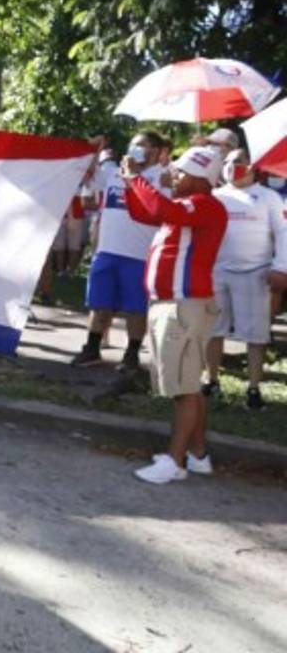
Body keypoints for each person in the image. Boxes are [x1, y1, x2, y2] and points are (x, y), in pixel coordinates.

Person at [124, 147, 227, 484]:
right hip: (177, 305)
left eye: (182, 172)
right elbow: (144, 212)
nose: (175, 176)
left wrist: (136, 178)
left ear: (200, 178)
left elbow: (158, 206)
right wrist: (131, 185)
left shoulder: (205, 205)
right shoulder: (186, 206)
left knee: (183, 390)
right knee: (188, 386)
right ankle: (198, 455)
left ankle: (175, 460)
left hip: (185, 305)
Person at [72, 132, 169, 379]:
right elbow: (86, 176)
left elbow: (161, 208)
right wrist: (95, 151)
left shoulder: (163, 178)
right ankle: (92, 348)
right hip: (107, 250)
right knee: (98, 303)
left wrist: (136, 177)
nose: (136, 148)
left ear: (157, 151)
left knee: (136, 308)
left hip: (140, 255)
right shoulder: (113, 172)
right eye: (134, 144)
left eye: (143, 145)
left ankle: (132, 354)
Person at [205, 150, 287, 410]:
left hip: (256, 274)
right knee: (214, 329)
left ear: (252, 166)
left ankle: (253, 389)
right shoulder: (215, 196)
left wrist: (281, 268)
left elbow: (284, 233)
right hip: (217, 272)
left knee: (256, 335)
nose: (231, 167)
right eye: (227, 162)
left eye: (237, 162)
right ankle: (212, 380)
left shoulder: (269, 197)